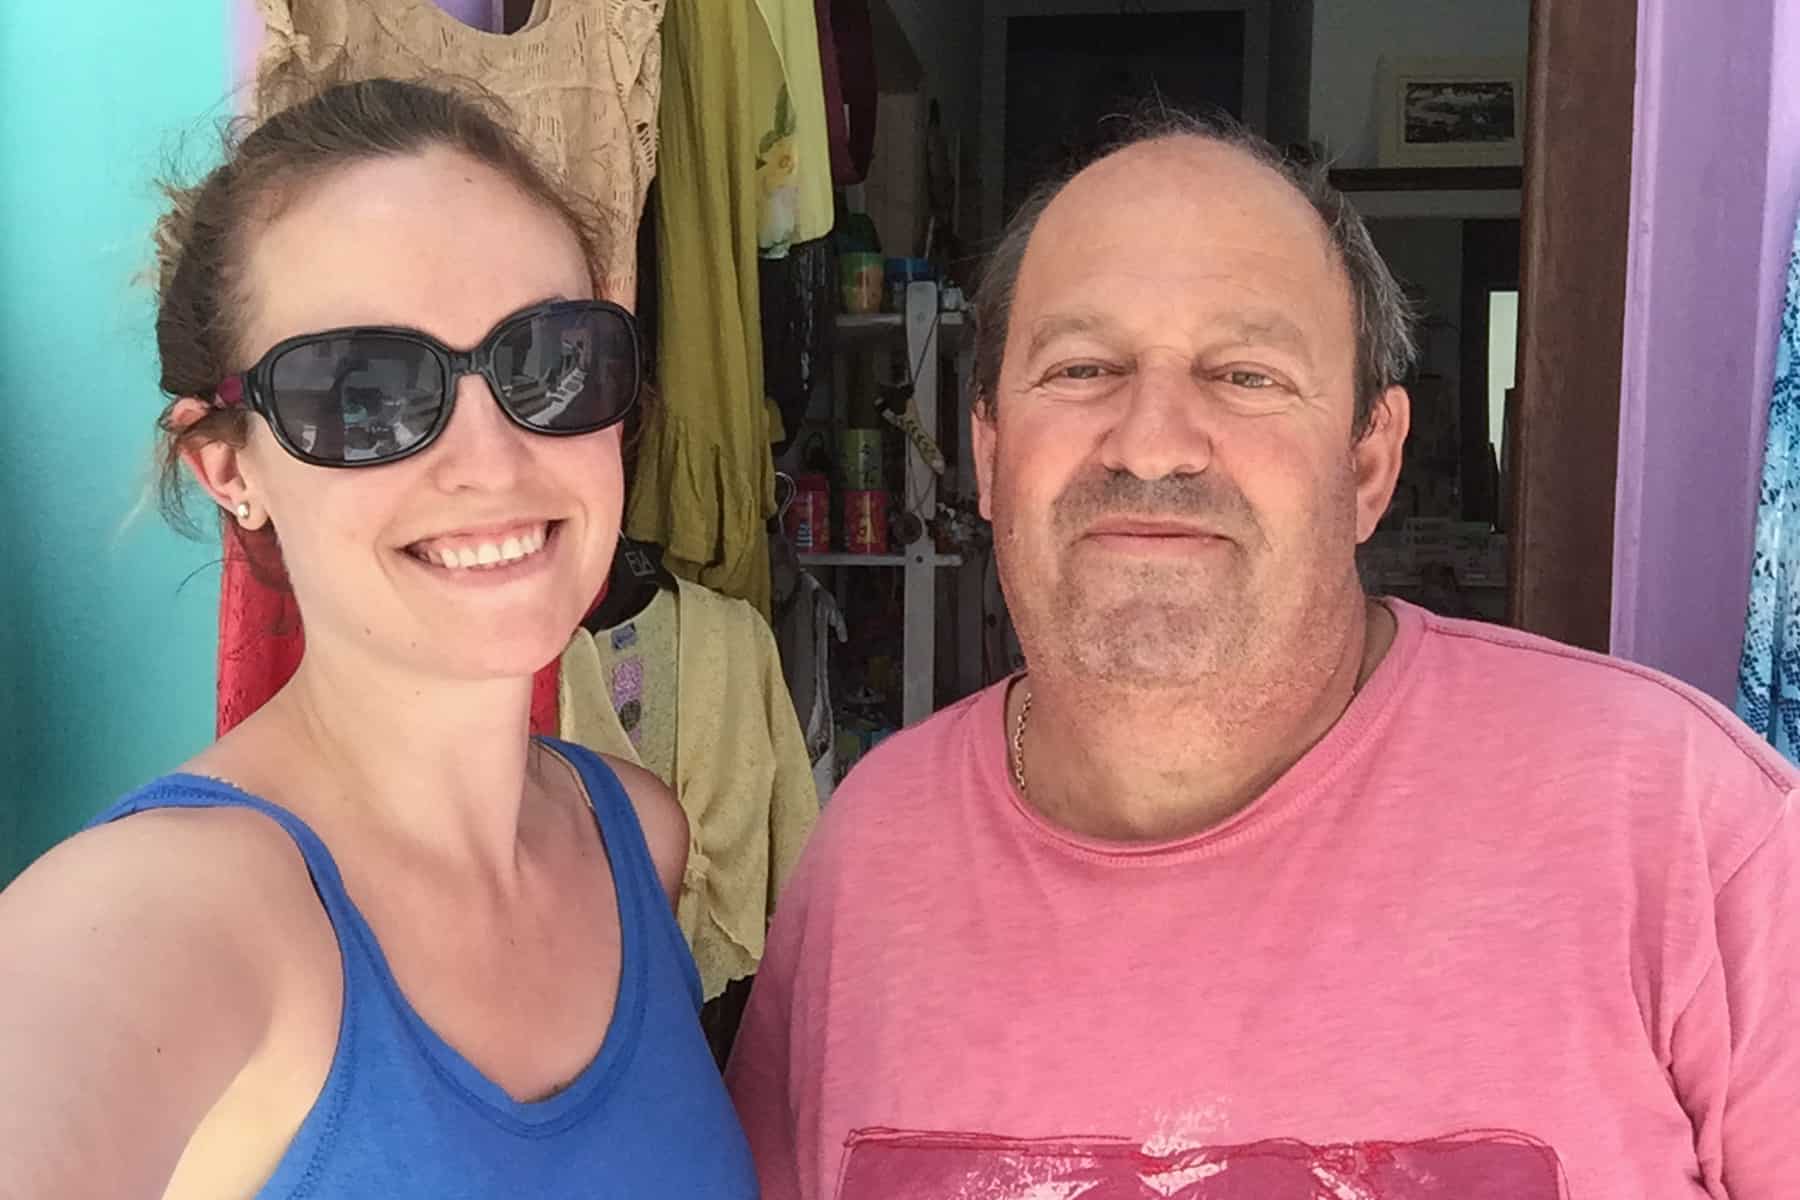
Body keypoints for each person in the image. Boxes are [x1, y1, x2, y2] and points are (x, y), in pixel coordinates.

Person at [725, 114, 1800, 1200]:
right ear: (993, 453)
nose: (1151, 442)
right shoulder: (870, 854)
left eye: (1246, 376)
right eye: (1083, 366)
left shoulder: (1684, 824)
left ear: (1368, 465)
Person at [0, 79, 755, 1198]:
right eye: (363, 391)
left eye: (551, 361)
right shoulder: (169, 915)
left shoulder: (637, 840)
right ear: (231, 468)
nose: (492, 461)